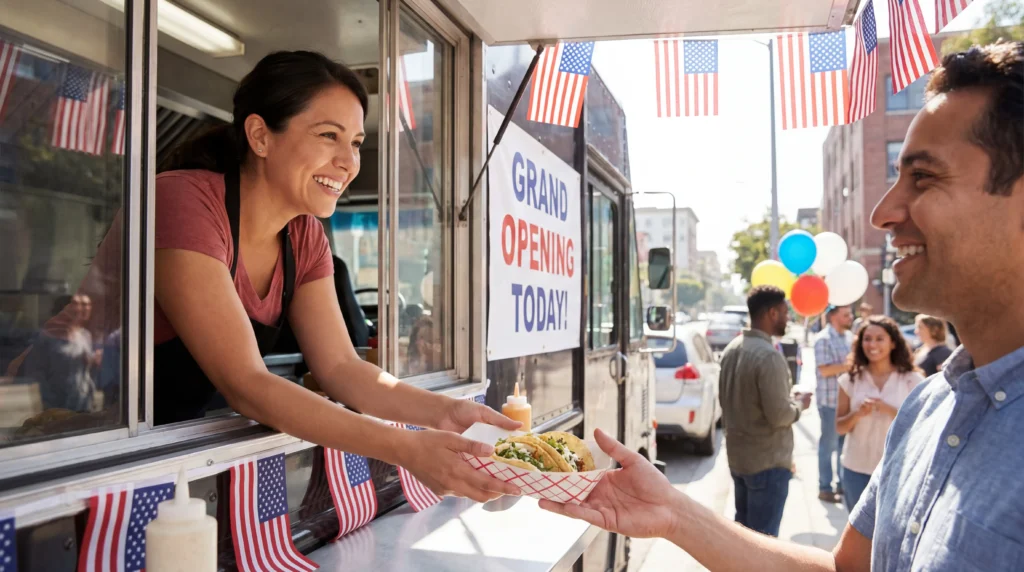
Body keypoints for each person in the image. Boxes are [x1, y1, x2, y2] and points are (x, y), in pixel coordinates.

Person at [540, 41, 1024, 571]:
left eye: (924, 177)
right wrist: (674, 513)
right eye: (896, 175)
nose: (883, 213)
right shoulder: (928, 407)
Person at [13, 51, 521, 503]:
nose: (348, 163)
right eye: (329, 136)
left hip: (159, 450)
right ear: (259, 135)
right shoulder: (181, 200)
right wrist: (408, 447)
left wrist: (444, 414)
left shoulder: (304, 237)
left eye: (357, 142)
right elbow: (246, 384)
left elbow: (344, 367)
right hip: (58, 434)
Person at [718, 285, 811, 537]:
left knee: (744, 542)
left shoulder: (731, 349)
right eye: (784, 312)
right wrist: (800, 404)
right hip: (767, 464)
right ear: (772, 313)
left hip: (740, 460)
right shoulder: (768, 356)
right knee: (763, 546)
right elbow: (780, 415)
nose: (788, 317)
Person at [835, 316, 923, 512]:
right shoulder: (849, 380)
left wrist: (889, 409)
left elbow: (922, 428)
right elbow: (839, 427)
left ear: (893, 342)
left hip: (896, 469)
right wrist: (857, 414)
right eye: (867, 338)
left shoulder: (912, 380)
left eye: (879, 338)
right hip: (856, 469)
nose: (872, 344)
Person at [812, 304, 853, 503]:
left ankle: (841, 484)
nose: (850, 317)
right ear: (834, 317)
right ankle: (824, 487)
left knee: (843, 446)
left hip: (847, 402)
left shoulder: (848, 337)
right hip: (829, 401)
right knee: (828, 445)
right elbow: (825, 370)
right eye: (846, 315)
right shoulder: (823, 339)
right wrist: (849, 365)